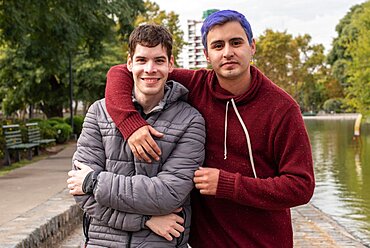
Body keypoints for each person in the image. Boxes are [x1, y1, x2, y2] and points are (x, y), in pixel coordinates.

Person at [105, 10, 315, 248]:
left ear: (252, 46)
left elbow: (301, 186)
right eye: (218, 45)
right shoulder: (197, 85)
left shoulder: (282, 108)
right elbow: (120, 71)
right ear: (206, 54)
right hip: (205, 242)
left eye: (236, 42)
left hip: (263, 241)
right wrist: (132, 126)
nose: (227, 52)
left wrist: (227, 184)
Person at [67, 24, 205, 247]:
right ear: (129, 63)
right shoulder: (98, 112)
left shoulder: (190, 120)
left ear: (170, 64)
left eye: (159, 60)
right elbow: (81, 193)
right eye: (141, 60)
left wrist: (94, 181)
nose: (150, 69)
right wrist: (144, 220)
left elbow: (169, 195)